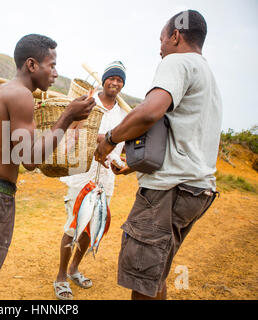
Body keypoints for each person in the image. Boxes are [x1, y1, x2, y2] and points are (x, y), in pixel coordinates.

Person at [0, 34, 96, 300]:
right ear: (31, 65)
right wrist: (67, 117)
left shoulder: (5, 90)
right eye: (51, 65)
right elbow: (30, 159)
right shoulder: (20, 96)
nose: (55, 72)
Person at [94, 10, 222, 300]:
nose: (160, 47)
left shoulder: (177, 61)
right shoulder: (207, 74)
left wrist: (111, 140)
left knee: (143, 282)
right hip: (196, 191)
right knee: (157, 274)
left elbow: (150, 112)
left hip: (168, 193)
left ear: (176, 35)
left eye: (162, 39)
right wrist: (133, 166)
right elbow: (180, 137)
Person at [54, 61, 128, 300]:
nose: (115, 83)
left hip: (105, 178)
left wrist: (116, 160)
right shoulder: (87, 102)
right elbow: (73, 132)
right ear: (104, 80)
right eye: (112, 78)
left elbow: (120, 145)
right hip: (82, 173)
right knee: (73, 225)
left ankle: (75, 268)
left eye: (120, 80)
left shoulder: (124, 114)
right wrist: (105, 139)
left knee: (92, 226)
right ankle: (61, 276)